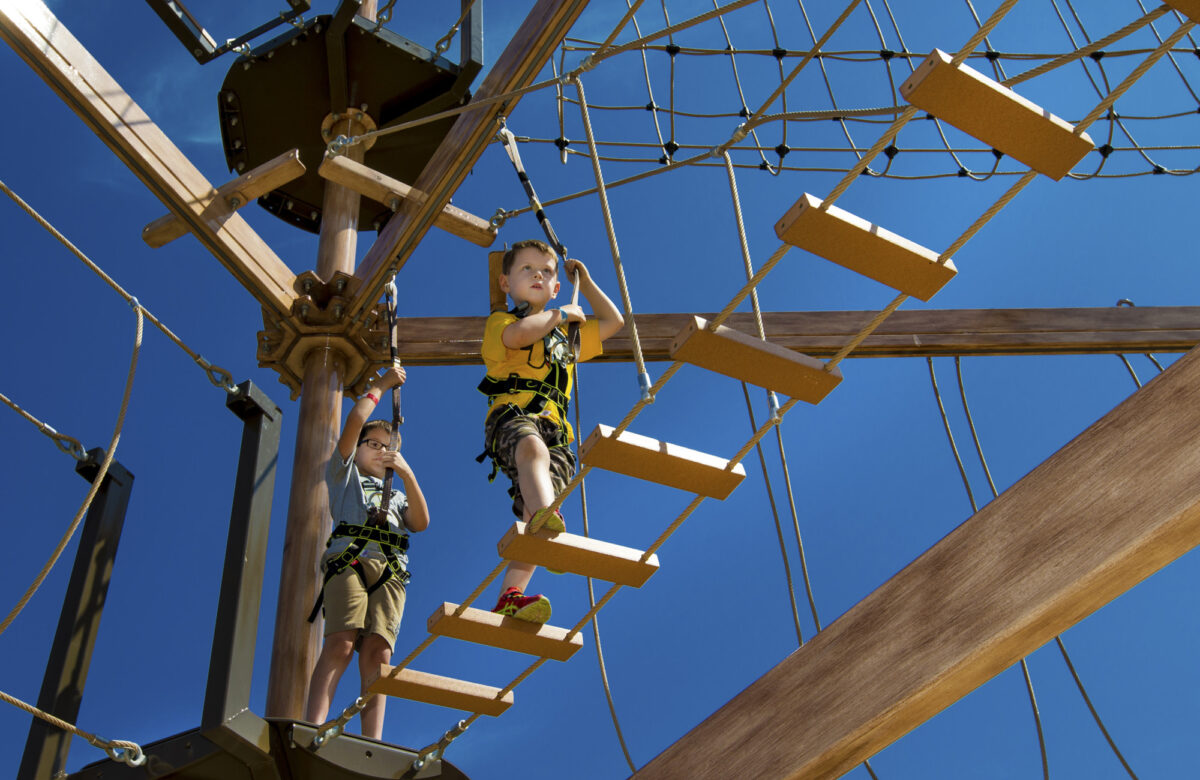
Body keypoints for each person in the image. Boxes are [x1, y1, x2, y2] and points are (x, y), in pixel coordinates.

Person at [477, 239, 624, 623]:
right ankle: (547, 519)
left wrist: (586, 284)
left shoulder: (568, 339)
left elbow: (614, 323)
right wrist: (561, 313)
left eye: (546, 271)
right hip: (513, 416)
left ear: (557, 285)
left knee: (533, 507)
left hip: (556, 434)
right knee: (532, 453)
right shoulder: (502, 322)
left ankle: (511, 594)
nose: (538, 275)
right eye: (527, 269)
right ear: (505, 283)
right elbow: (520, 337)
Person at [304, 366, 430, 739]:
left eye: (388, 448)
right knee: (342, 642)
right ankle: (313, 724)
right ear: (357, 449)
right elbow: (356, 420)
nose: (381, 451)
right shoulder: (345, 476)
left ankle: (371, 740)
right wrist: (380, 386)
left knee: (379, 654)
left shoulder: (398, 493)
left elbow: (420, 522)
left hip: (391, 570)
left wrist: (407, 474)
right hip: (351, 561)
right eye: (372, 444)